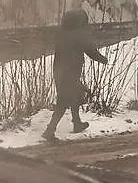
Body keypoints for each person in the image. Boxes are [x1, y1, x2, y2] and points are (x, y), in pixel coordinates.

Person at [42, 9, 108, 143]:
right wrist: (102, 59)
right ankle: (49, 130)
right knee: (63, 102)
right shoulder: (78, 35)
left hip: (59, 71)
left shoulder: (61, 34)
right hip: (70, 72)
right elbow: (90, 50)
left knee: (74, 97)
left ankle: (77, 123)